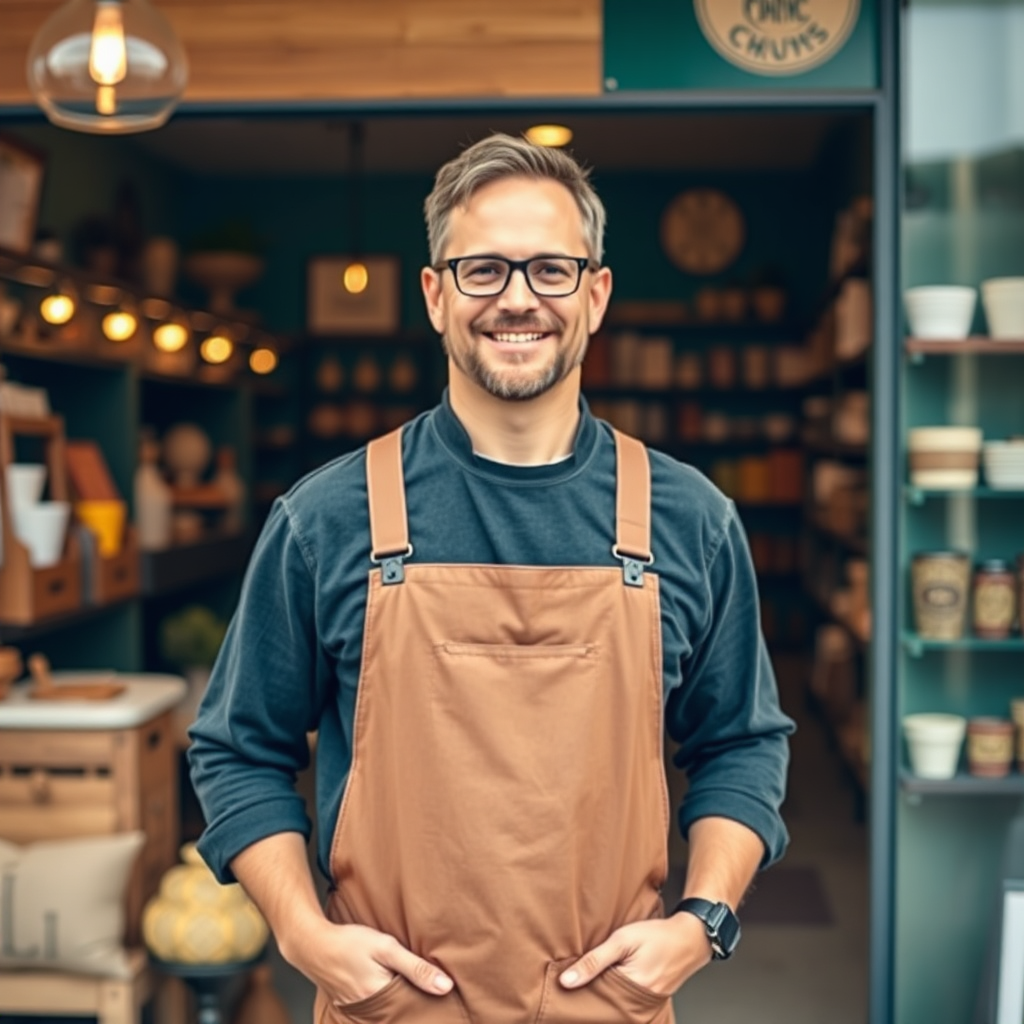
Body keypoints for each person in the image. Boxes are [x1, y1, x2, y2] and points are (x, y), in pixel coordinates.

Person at [188, 132, 794, 1024]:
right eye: (483, 270)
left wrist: (701, 922)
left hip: (611, 1009)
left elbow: (741, 742)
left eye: (551, 270)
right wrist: (304, 934)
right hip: (391, 1010)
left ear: (596, 294)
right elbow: (239, 750)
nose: (518, 300)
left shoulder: (688, 520)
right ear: (435, 294)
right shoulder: (327, 519)